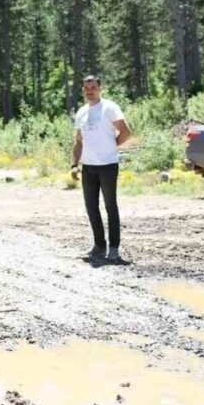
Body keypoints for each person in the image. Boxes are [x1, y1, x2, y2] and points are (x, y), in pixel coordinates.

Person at [70, 75, 132, 264]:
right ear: (83, 90)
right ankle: (99, 245)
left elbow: (126, 132)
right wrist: (74, 164)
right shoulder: (81, 112)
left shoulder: (109, 108)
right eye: (86, 88)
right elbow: (78, 141)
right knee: (91, 208)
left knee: (110, 207)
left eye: (93, 87)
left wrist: (112, 146)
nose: (90, 91)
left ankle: (114, 249)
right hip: (89, 167)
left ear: (100, 88)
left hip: (107, 166)